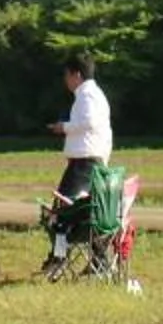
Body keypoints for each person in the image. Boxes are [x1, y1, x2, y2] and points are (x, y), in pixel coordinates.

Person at [43, 55, 114, 277]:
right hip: (90, 160)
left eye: (67, 75)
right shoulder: (93, 94)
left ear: (77, 74)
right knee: (85, 213)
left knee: (61, 211)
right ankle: (99, 260)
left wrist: (63, 127)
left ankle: (60, 258)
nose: (65, 80)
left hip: (84, 162)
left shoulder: (87, 95)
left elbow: (89, 122)